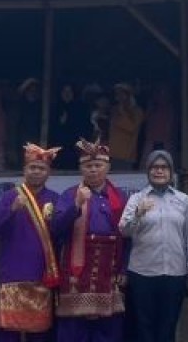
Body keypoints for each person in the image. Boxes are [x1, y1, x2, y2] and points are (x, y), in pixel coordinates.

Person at [52, 139, 130, 342]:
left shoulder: (120, 197)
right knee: (74, 330)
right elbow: (57, 229)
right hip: (77, 271)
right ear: (81, 169)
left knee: (107, 330)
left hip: (109, 268)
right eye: (88, 166)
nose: (93, 170)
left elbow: (128, 236)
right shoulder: (70, 194)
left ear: (108, 168)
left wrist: (122, 269)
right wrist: (76, 205)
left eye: (98, 165)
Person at [0, 143, 62, 342]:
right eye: (32, 167)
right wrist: (11, 209)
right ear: (24, 170)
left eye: (41, 168)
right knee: (7, 330)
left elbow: (61, 235)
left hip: (41, 275)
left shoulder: (55, 199)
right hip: (13, 274)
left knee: (40, 332)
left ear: (49, 172)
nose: (36, 172)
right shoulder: (10, 196)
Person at [119, 149, 188, 342]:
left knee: (168, 327)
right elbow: (124, 231)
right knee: (144, 327)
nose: (159, 171)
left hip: (175, 274)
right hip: (143, 273)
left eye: (163, 167)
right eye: (154, 167)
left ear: (170, 172)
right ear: (148, 171)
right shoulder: (136, 199)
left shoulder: (183, 200)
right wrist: (138, 214)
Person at [107, 83, 145, 169]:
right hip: (112, 153)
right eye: (117, 94)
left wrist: (122, 112)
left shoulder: (137, 111)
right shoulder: (114, 110)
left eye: (121, 94)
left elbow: (131, 127)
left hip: (125, 154)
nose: (118, 97)